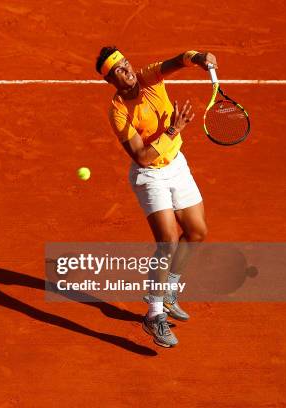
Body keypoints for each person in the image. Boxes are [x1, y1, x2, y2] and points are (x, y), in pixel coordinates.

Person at [96, 47, 215, 347]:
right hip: (150, 177)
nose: (128, 71)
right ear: (111, 81)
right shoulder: (118, 111)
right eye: (119, 71)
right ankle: (154, 315)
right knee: (168, 241)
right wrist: (175, 129)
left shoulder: (148, 76)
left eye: (126, 63)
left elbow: (177, 61)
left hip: (176, 165)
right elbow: (142, 157)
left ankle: (168, 290)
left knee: (197, 232)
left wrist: (198, 57)